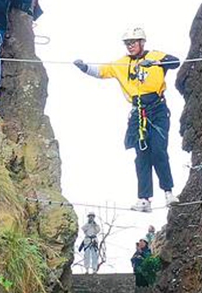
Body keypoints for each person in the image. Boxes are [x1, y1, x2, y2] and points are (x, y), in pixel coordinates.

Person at [74, 28, 181, 212]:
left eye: (133, 42)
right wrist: (84, 68)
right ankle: (144, 199)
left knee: (158, 150)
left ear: (142, 42)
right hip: (138, 112)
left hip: (157, 109)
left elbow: (175, 62)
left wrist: (155, 62)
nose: (130, 46)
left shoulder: (155, 55)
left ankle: (168, 191)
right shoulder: (121, 64)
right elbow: (101, 71)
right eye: (128, 43)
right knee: (141, 156)